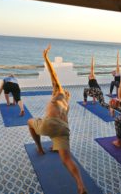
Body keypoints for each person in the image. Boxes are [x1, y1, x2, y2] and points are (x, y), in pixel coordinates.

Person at [27, 45, 86, 194]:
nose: (55, 87)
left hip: (50, 123)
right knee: (66, 159)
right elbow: (64, 126)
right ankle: (80, 185)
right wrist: (57, 144)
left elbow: (53, 74)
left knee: (30, 122)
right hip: (63, 128)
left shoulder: (58, 92)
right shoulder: (66, 105)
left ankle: (39, 148)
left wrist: (45, 57)